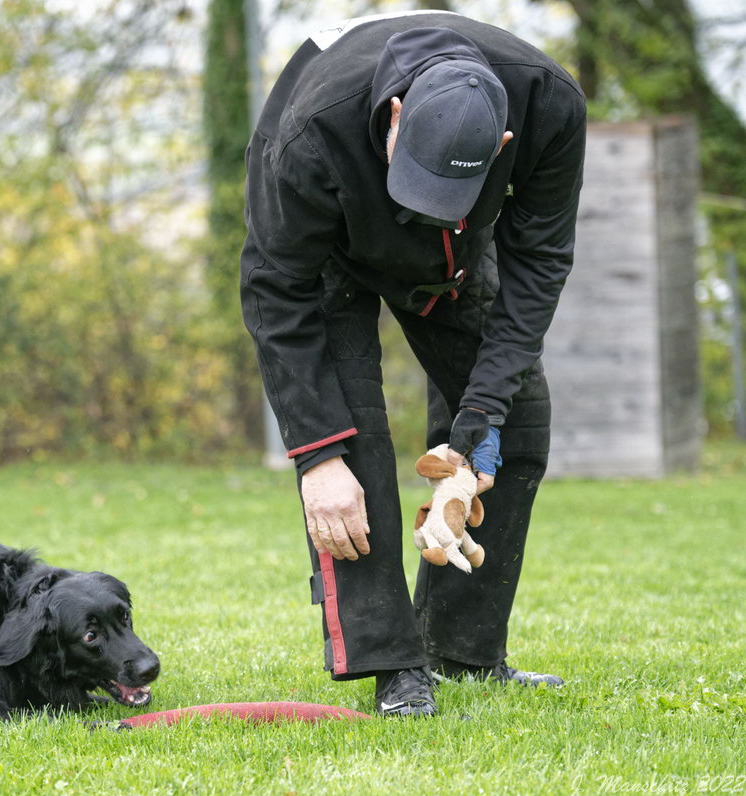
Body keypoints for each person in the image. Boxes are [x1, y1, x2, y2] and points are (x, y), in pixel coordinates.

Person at [240, 11, 585, 717]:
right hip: (327, 252)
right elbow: (276, 293)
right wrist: (316, 456)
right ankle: (393, 667)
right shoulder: (309, 135)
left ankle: (460, 648)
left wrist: (482, 410)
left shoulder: (549, 105)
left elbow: (538, 264)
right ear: (396, 113)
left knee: (514, 426)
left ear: (503, 144)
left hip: (455, 260)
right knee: (351, 462)